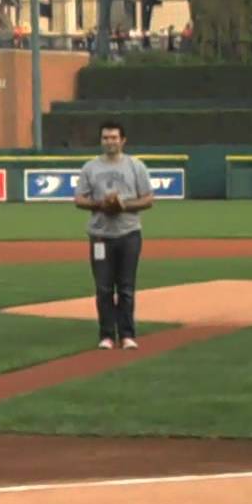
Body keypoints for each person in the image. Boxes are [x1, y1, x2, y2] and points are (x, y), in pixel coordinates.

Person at [73, 121, 155, 350]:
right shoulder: (90, 167)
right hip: (100, 235)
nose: (110, 141)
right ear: (101, 140)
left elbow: (148, 199)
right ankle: (107, 335)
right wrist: (101, 204)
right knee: (104, 288)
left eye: (114, 137)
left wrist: (122, 205)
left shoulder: (135, 166)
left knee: (126, 287)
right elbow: (79, 199)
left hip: (129, 233)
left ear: (123, 140)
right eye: (106, 138)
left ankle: (127, 334)